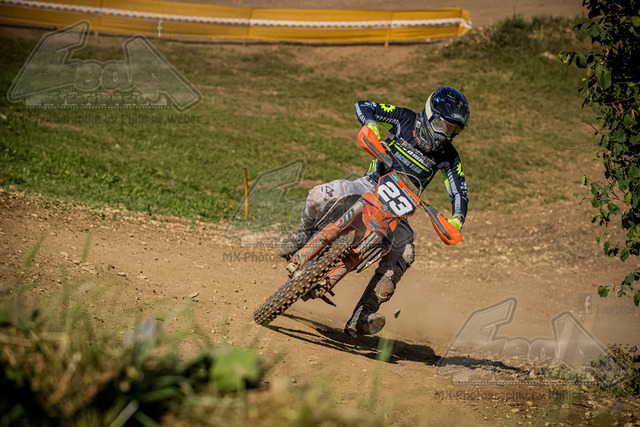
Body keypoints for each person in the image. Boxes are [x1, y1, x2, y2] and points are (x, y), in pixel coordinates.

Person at [277, 86, 469, 338]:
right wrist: (370, 125)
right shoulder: (404, 119)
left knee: (405, 253)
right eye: (442, 125)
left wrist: (457, 220)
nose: (445, 134)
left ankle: (363, 314)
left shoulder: (449, 156)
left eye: (453, 130)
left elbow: (459, 191)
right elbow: (364, 105)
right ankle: (304, 233)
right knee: (319, 195)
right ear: (429, 114)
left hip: (398, 212)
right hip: (368, 185)